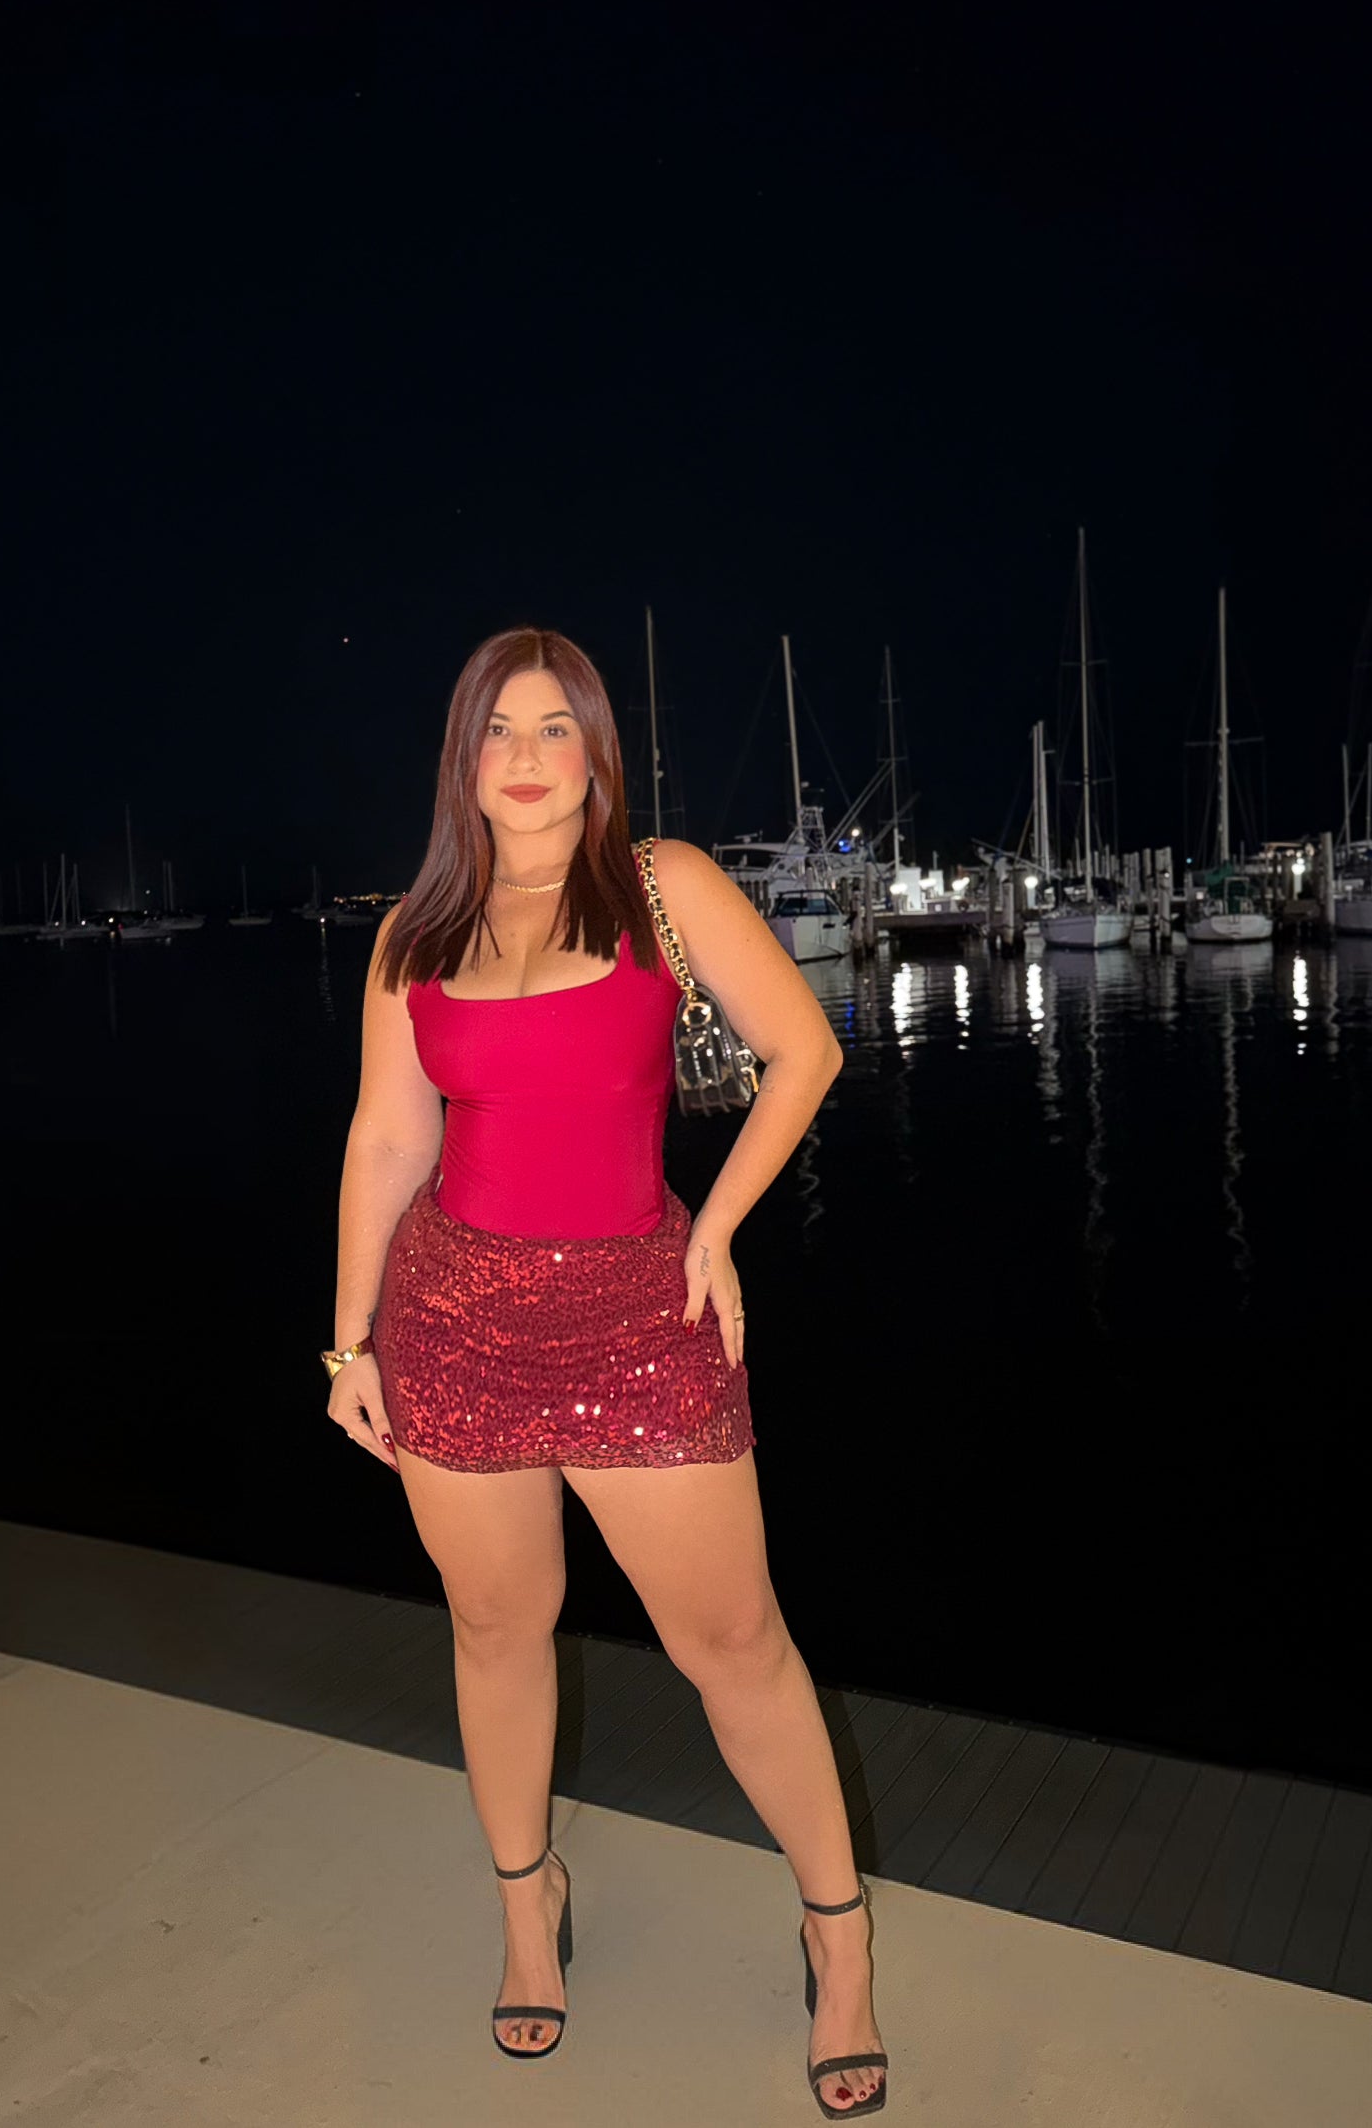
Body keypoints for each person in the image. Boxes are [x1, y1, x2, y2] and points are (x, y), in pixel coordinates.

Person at [326, 625, 888, 2117]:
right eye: (495, 731)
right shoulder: (414, 932)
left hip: (641, 1324)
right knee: (495, 1628)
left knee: (736, 1642)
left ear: (594, 752)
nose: (523, 757)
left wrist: (715, 1224)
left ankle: (837, 1933)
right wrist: (349, 1339)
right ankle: (529, 1909)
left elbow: (805, 1053)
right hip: (454, 1325)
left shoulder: (662, 886)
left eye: (552, 728)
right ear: (462, 761)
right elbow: (386, 1140)